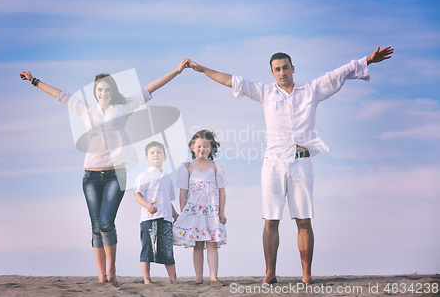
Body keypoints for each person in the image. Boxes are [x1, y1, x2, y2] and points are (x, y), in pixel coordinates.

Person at [187, 46, 394, 285]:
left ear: (292, 69)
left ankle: (306, 275)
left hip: (301, 163)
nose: (282, 72)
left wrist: (368, 60)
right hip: (273, 163)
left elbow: (340, 73)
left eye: (286, 67)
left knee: (304, 220)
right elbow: (231, 80)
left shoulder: (311, 90)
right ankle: (270, 273)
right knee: (270, 220)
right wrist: (201, 69)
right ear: (272, 73)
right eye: (277, 69)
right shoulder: (265, 92)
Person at [19, 59, 189, 284]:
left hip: (115, 174)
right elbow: (59, 94)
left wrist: (177, 71)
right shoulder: (86, 110)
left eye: (107, 89)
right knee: (96, 227)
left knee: (107, 222)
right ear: (95, 92)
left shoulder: (123, 108)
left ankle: (112, 271)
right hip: (90, 175)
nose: (103, 92)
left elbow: (150, 88)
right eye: (99, 89)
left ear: (112, 91)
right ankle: (101, 275)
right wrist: (34, 81)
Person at [173, 129, 227, 286]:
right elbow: (183, 193)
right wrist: (184, 213)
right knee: (197, 244)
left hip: (212, 211)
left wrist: (222, 212)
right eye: (199, 146)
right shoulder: (187, 167)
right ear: (192, 147)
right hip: (194, 212)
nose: (202, 149)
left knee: (211, 242)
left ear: (211, 149)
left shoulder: (216, 166)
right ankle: (199, 278)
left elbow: (222, 191)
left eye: (206, 146)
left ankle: (213, 277)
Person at [133, 141, 179, 284]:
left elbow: (167, 200)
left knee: (167, 249)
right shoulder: (144, 176)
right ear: (146, 158)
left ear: (165, 157)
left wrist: (175, 214)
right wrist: (147, 205)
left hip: (166, 219)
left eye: (159, 152)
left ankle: (173, 279)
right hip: (149, 219)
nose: (156, 155)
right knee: (148, 248)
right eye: (152, 152)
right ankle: (147, 279)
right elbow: (137, 195)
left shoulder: (167, 177)